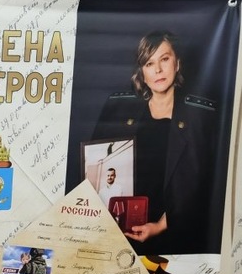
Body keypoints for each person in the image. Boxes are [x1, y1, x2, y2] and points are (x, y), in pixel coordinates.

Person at [90, 30, 217, 254]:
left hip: (175, 237)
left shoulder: (200, 117)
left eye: (164, 59)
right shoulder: (120, 111)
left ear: (177, 63)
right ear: (142, 72)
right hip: (120, 232)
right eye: (149, 63)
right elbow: (97, 167)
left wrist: (160, 226)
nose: (157, 70)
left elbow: (202, 184)